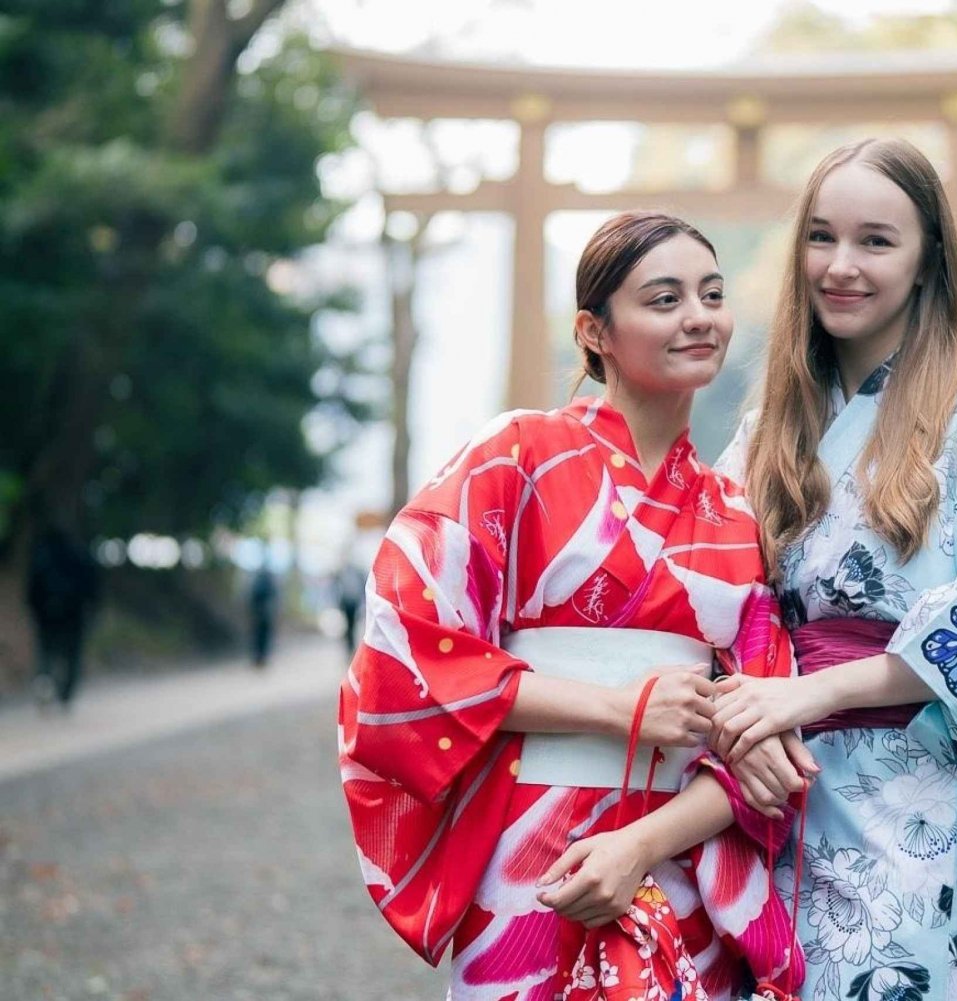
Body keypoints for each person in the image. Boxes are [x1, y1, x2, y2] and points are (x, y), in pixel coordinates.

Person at [338, 212, 805, 1001]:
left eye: (712, 294)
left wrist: (642, 843)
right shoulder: (514, 458)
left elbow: (764, 749)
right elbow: (406, 651)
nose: (698, 316)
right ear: (595, 331)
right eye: (663, 299)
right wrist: (618, 709)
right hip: (531, 847)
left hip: (684, 857)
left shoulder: (738, 513)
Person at [711, 138, 957, 1001]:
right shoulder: (768, 429)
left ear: (930, 256)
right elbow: (703, 601)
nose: (841, 266)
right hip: (770, 795)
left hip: (920, 802)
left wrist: (814, 691)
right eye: (820, 238)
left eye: (876, 241)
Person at [26, 524, 101, 708]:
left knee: (46, 652)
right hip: (74, 614)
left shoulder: (43, 555)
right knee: (72, 655)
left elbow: (32, 586)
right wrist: (92, 607)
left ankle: (44, 682)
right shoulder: (80, 554)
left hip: (47, 614)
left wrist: (34, 609)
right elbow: (92, 585)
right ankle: (65, 694)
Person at [248, 563, 278, 667]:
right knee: (263, 638)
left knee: (259, 638)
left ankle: (259, 658)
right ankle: (261, 658)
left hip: (259, 615)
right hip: (265, 615)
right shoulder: (269, 582)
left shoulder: (256, 582)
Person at [335, 560, 365, 658]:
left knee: (351, 626)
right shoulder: (341, 573)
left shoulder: (354, 573)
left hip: (352, 603)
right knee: (349, 627)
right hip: (346, 603)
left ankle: (350, 646)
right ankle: (349, 646)